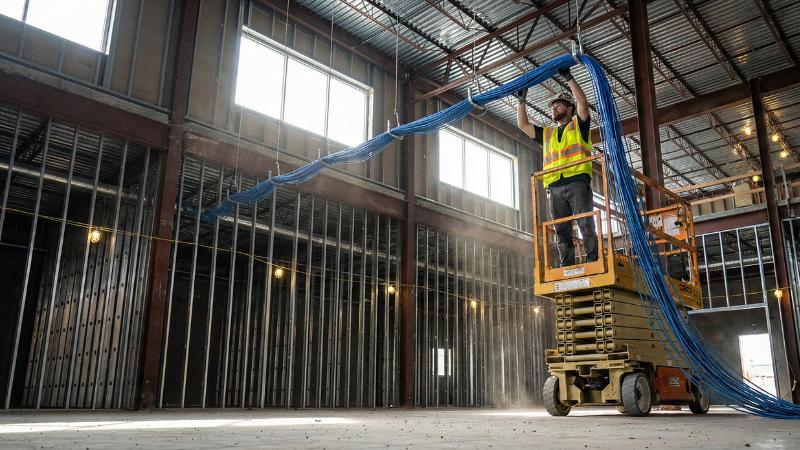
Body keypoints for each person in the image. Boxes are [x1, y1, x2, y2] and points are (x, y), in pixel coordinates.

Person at [516, 67, 597, 268]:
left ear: (569, 109)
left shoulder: (579, 126)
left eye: (558, 105)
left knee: (585, 224)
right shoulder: (547, 135)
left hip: (577, 182)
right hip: (555, 189)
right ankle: (566, 266)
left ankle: (593, 261)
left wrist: (568, 77)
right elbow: (523, 125)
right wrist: (521, 102)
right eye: (553, 106)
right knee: (561, 231)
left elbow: (583, 103)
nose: (553, 108)